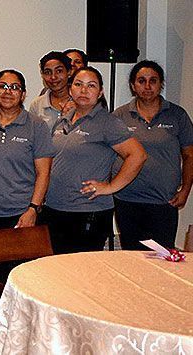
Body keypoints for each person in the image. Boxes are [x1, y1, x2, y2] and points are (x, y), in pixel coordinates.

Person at [44, 67, 146, 254]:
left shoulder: (108, 123)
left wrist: (110, 187)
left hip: (87, 211)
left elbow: (138, 155)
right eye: (78, 84)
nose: (84, 90)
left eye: (91, 86)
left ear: (100, 92)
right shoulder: (62, 121)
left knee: (82, 275)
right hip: (55, 208)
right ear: (70, 89)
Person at [112, 60, 193, 249]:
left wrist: (185, 191)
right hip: (127, 201)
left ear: (161, 84)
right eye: (141, 81)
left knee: (162, 259)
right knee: (133, 258)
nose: (147, 86)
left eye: (153, 81)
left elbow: (189, 156)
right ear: (133, 85)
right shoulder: (120, 116)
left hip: (164, 203)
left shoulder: (177, 115)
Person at [0, 70, 55, 231]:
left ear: (23, 94)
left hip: (22, 213)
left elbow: (44, 172)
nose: (8, 91)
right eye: (2, 86)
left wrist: (33, 208)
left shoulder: (37, 126)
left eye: (15, 87)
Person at [28, 51, 73, 129]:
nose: (53, 77)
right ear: (42, 75)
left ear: (69, 72)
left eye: (59, 71)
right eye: (47, 72)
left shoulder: (80, 101)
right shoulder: (37, 105)